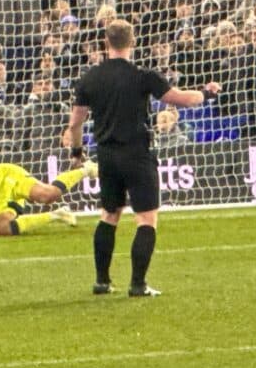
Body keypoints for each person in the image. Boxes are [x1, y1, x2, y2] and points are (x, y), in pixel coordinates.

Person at [62, 18, 218, 297]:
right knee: (146, 219)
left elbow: (74, 124)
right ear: (132, 42)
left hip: (106, 155)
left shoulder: (90, 79)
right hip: (136, 153)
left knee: (109, 215)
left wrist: (76, 152)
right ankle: (137, 284)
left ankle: (102, 281)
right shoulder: (143, 76)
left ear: (106, 42)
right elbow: (181, 98)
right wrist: (207, 93)